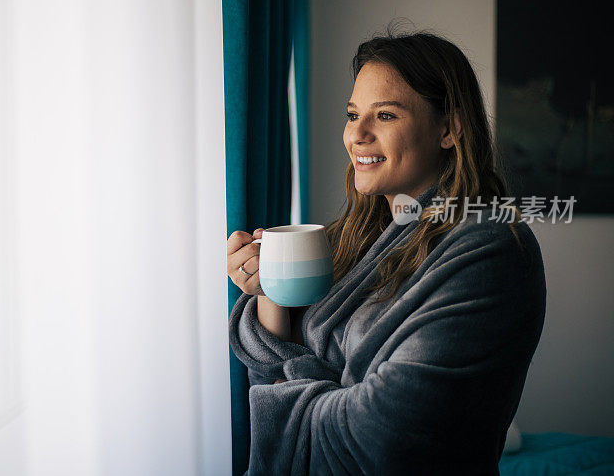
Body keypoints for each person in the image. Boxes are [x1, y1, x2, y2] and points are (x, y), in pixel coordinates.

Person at [226, 27, 547, 475]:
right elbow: (266, 373)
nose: (357, 135)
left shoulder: (491, 250)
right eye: (352, 114)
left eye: (386, 116)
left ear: (449, 128)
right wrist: (270, 288)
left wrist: (288, 385)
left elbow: (383, 442)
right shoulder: (351, 240)